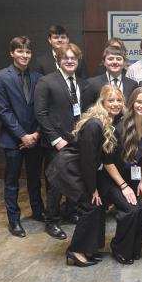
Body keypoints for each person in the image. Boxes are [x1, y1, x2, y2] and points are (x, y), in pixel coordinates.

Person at [46, 84, 124, 267]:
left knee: (97, 206)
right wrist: (93, 188)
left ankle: (90, 248)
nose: (115, 104)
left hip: (80, 169)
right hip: (69, 169)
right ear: (102, 102)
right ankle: (75, 251)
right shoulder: (94, 124)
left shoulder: (109, 122)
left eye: (119, 100)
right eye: (111, 100)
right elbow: (88, 161)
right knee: (90, 205)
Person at [34, 43, 93, 239]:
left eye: (73, 58)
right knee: (56, 182)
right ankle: (51, 221)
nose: (70, 61)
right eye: (65, 58)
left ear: (78, 60)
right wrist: (55, 139)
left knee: (74, 178)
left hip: (76, 140)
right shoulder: (46, 81)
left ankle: (70, 212)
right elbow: (41, 114)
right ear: (58, 60)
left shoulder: (83, 84)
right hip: (56, 143)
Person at [0, 36, 45, 237]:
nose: (24, 55)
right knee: (12, 181)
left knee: (34, 178)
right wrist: (22, 135)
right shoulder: (0, 77)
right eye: (20, 51)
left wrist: (37, 134)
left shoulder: (38, 77)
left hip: (36, 137)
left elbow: (42, 109)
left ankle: (38, 211)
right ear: (12, 53)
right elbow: (3, 110)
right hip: (13, 139)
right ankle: (14, 220)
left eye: (28, 52)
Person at [99, 86, 142, 264]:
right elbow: (107, 162)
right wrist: (124, 187)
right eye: (139, 101)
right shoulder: (119, 127)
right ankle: (120, 248)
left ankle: (134, 246)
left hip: (135, 179)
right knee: (131, 210)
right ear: (132, 103)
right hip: (113, 180)